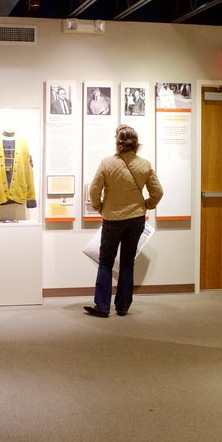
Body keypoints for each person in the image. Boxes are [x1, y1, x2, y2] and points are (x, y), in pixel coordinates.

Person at [84, 125, 163, 317]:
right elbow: (158, 192)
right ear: (136, 143)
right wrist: (147, 205)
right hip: (136, 219)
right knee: (128, 263)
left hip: (112, 219)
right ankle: (123, 306)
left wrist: (99, 206)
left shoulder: (107, 163)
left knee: (105, 262)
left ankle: (102, 306)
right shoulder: (144, 164)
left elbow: (94, 190)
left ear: (118, 142)